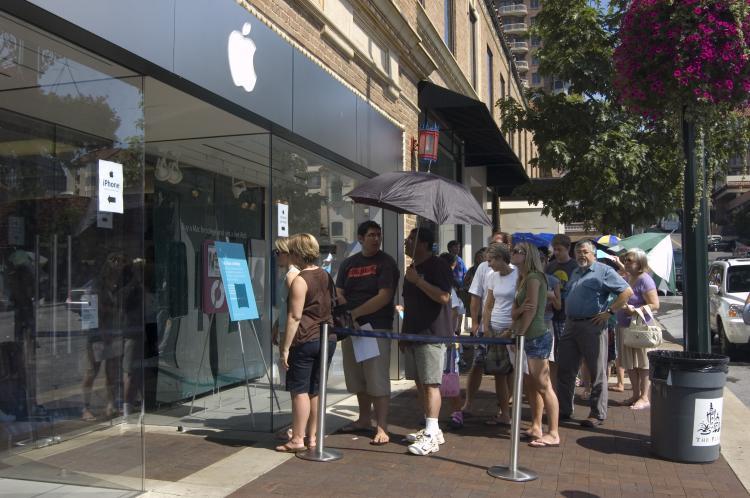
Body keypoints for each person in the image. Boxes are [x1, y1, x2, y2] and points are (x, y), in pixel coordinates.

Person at [556, 240, 633, 427]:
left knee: (596, 371)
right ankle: (564, 410)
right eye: (578, 252)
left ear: (594, 253)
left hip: (592, 325)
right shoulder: (576, 271)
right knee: (565, 369)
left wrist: (610, 312)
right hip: (571, 324)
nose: (581, 255)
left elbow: (626, 291)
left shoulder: (604, 271)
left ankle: (597, 413)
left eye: (585, 252)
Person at [335, 221, 399, 445]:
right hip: (351, 329)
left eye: (378, 235)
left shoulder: (386, 263)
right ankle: (363, 419)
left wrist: (355, 313)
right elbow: (338, 289)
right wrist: (345, 308)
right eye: (371, 235)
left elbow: (384, 296)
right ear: (360, 238)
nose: (376, 239)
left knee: (377, 378)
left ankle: (382, 426)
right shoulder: (348, 264)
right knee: (356, 378)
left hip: (376, 328)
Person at [276, 233, 336, 452]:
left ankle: (297, 438)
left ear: (297, 253)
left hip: (305, 339)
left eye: (291, 250)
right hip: (327, 338)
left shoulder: (301, 279)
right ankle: (313, 438)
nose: (288, 254)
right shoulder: (325, 276)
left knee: (299, 389)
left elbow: (294, 317)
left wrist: (284, 349)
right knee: (316, 389)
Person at [401, 227, 453, 456]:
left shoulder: (438, 265)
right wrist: (404, 334)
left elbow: (444, 296)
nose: (406, 241)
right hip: (413, 334)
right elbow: (409, 304)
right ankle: (431, 427)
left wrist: (419, 281)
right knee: (421, 384)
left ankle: (431, 434)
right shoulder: (411, 268)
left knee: (431, 384)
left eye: (411, 239)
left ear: (423, 243)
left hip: (432, 334)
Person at [508, 242, 560, 447]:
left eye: (516, 251)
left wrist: (519, 332)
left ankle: (554, 432)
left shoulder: (533, 278)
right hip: (526, 335)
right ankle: (536, 426)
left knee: (544, 385)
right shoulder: (522, 279)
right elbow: (515, 311)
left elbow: (530, 310)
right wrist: (518, 320)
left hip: (535, 336)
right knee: (531, 383)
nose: (512, 254)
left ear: (526, 255)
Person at [461, 232, 510, 416]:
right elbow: (476, 297)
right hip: (486, 328)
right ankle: (468, 403)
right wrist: (475, 322)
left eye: (497, 244)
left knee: (506, 370)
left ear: (507, 247)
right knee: (477, 364)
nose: (492, 248)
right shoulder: (483, 268)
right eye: (491, 244)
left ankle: (505, 406)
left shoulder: (515, 269)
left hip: (506, 329)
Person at [617, 248, 660, 411]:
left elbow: (655, 305)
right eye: (626, 259)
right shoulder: (628, 277)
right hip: (625, 326)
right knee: (629, 363)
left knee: (643, 364)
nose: (626, 263)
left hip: (641, 328)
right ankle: (635, 395)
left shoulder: (645, 280)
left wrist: (635, 310)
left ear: (640, 263)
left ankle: (644, 397)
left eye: (630, 260)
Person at [481, 243, 517, 426]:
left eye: (490, 260)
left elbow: (523, 304)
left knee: (517, 372)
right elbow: (488, 304)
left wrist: (512, 329)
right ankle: (504, 413)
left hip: (513, 330)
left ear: (501, 258)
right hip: (495, 329)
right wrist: (486, 327)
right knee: (499, 373)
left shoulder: (518, 274)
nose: (488, 265)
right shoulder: (492, 276)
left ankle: (517, 412)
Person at [271, 237, 300, 442]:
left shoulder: (292, 276)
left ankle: (297, 427)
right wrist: (275, 326)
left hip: (290, 333)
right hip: (283, 329)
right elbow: (285, 308)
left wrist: (286, 344)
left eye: (277, 252)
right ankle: (296, 425)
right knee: (291, 383)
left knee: (294, 384)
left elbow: (293, 311)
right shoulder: (288, 275)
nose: (276, 256)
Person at [545, 234, 578, 380]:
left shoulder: (575, 267)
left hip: (568, 314)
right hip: (552, 314)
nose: (556, 252)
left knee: (567, 351)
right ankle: (555, 382)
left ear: (568, 249)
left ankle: (569, 378)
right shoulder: (550, 266)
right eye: (555, 249)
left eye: (559, 249)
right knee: (554, 353)